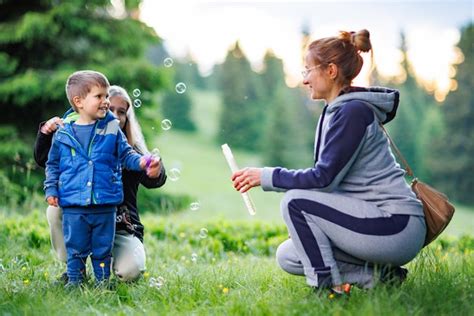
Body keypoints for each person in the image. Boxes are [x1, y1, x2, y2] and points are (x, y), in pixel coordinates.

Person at [232, 30, 426, 297]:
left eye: (307, 70)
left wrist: (265, 176)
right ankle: (381, 279)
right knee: (289, 255)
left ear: (331, 70)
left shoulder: (352, 112)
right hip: (373, 222)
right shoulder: (339, 111)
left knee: (295, 201)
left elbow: (323, 179)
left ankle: (327, 292)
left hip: (395, 225)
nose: (304, 79)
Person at [34, 83, 166, 283]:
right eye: (109, 107)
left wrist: (155, 169)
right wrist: (45, 132)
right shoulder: (75, 137)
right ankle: (74, 269)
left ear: (127, 119)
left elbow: (151, 176)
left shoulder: (127, 148)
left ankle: (104, 277)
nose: (113, 114)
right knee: (55, 210)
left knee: (130, 272)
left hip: (119, 225)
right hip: (80, 214)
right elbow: (47, 160)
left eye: (121, 112)